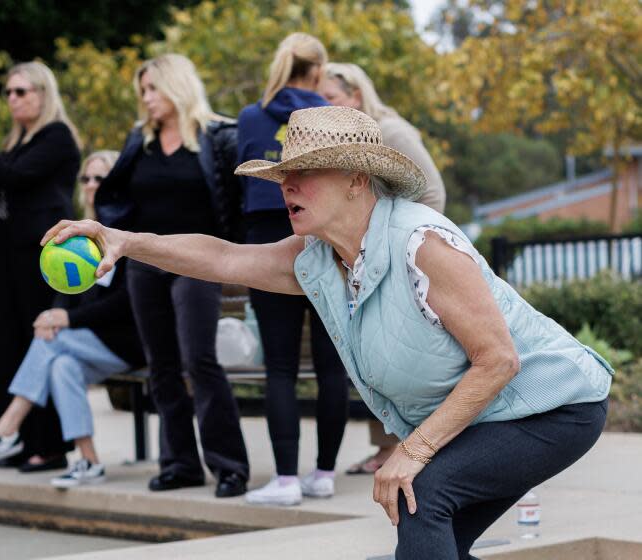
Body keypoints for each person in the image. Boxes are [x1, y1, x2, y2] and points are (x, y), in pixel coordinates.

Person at [44, 106, 612, 558]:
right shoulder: (320, 260)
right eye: (283, 175)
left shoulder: (424, 245)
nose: (285, 186)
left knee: (423, 497)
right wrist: (124, 240)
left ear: (356, 180)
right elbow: (222, 258)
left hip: (552, 408)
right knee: (425, 535)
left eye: (303, 174)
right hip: (488, 417)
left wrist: (412, 450)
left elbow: (499, 361)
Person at [95, 53, 249, 499]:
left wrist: (234, 252)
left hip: (198, 260)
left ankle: (228, 466)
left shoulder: (217, 137)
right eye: (142, 91)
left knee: (198, 360)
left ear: (176, 86)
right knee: (160, 365)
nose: (145, 99)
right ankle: (179, 463)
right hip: (145, 261)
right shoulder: (138, 141)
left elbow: (236, 200)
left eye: (152, 89)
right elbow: (114, 193)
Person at [0, 152, 145, 488]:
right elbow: (65, 289)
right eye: (85, 179)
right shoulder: (79, 234)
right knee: (62, 366)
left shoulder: (129, 231)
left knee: (54, 339)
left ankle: (7, 428)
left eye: (99, 178)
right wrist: (54, 313)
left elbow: (126, 303)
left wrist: (67, 319)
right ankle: (88, 461)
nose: (91, 186)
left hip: (129, 339)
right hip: (88, 343)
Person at [0, 61, 81, 473]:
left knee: (38, 344)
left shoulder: (56, 136)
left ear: (43, 93)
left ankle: (49, 444)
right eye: (8, 92)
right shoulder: (16, 141)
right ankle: (17, 439)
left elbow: (12, 178)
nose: (12, 99)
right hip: (5, 255)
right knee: (2, 348)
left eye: (21, 91)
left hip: (41, 255)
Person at [236, 32, 349, 506]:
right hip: (328, 240)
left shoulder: (250, 118)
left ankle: (284, 480)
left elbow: (240, 187)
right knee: (331, 366)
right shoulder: (335, 119)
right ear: (319, 72)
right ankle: (323, 473)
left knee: (279, 367)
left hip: (267, 243)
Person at [319, 62, 447, 475]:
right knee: (374, 353)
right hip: (364, 263)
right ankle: (387, 448)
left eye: (330, 98)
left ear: (356, 95)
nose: (324, 106)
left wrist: (406, 247)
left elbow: (432, 191)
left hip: (405, 263)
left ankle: (423, 444)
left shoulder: (391, 132)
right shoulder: (339, 144)